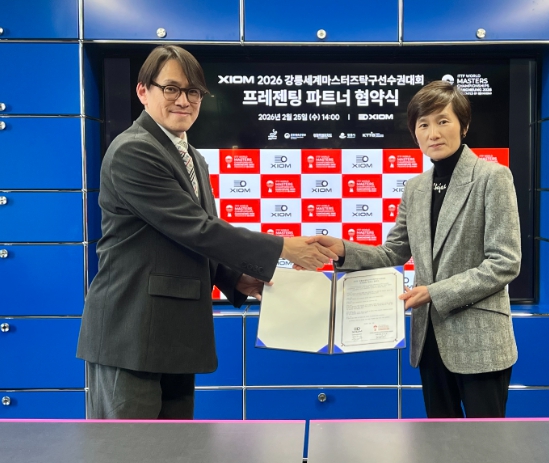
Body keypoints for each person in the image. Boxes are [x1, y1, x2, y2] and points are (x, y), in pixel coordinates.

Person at [76, 45, 337, 419]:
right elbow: (197, 229)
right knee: (127, 447)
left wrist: (235, 278)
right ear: (143, 91)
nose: (184, 100)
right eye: (171, 88)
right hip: (130, 334)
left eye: (193, 91)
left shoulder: (191, 155)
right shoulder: (134, 150)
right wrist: (283, 247)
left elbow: (187, 238)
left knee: (175, 447)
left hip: (175, 336)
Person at [308, 81, 521, 418]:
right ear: (414, 133)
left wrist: (434, 293)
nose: (433, 133)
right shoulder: (415, 188)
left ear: (464, 126)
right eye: (423, 125)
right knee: (438, 440)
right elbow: (393, 252)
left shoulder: (492, 177)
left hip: (481, 342)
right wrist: (343, 250)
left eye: (443, 121)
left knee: (486, 442)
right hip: (429, 341)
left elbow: (504, 262)